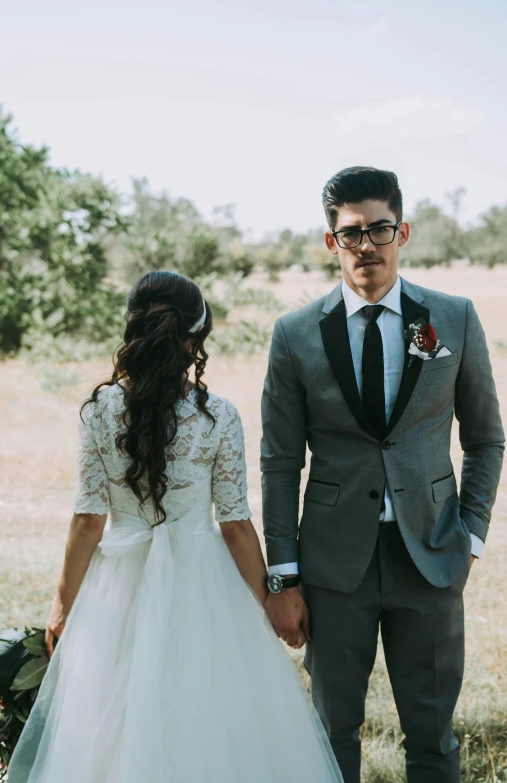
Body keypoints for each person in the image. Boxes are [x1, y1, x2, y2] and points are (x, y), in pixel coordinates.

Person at [7, 270, 343, 783]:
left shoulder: (99, 411)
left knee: (112, 718)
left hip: (116, 585)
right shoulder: (219, 417)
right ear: (194, 339)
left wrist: (63, 606)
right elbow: (234, 526)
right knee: (206, 716)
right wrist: (268, 600)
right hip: (201, 585)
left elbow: (89, 520)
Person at [261, 166, 505, 783]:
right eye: (351, 234)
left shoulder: (451, 319)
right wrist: (282, 576)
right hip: (333, 566)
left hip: (430, 556)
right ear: (330, 242)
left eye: (379, 229)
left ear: (403, 233)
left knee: (431, 736)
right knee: (332, 734)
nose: (366, 245)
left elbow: (485, 439)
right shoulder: (294, 336)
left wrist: (470, 536)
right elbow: (280, 461)